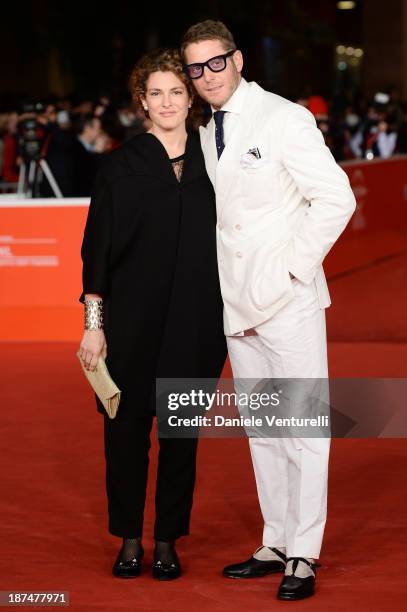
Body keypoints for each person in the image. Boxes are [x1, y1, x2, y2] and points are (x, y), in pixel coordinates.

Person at [181, 20, 356, 601]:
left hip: (286, 300)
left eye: (215, 62)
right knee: (263, 429)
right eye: (195, 67)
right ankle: (275, 540)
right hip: (237, 303)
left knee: (304, 430)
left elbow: (335, 198)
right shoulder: (207, 130)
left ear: (237, 59)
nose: (206, 75)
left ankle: (304, 553)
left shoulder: (284, 118)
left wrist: (291, 269)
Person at [77, 48, 227, 580]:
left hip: (198, 325)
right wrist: (94, 327)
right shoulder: (120, 166)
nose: (167, 102)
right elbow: (97, 249)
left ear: (191, 99)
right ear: (143, 102)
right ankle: (130, 538)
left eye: (176, 92)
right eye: (156, 93)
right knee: (124, 437)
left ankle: (167, 539)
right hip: (131, 325)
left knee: (180, 438)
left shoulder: (217, 161)